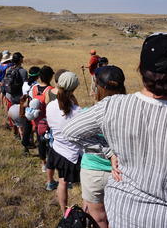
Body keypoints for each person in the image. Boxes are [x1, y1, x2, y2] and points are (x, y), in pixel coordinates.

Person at [63, 33, 167, 227]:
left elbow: (70, 131)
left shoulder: (112, 106)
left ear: (140, 67)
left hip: (123, 217)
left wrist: (108, 151)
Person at [72, 66, 126, 228]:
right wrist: (111, 152)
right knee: (119, 217)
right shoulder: (131, 113)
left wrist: (105, 150)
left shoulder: (89, 113)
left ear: (98, 87)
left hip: (93, 171)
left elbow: (71, 133)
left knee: (98, 219)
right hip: (122, 172)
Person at [46, 71, 82, 214]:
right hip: (73, 154)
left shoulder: (50, 106)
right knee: (85, 189)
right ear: (74, 89)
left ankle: (64, 212)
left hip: (57, 149)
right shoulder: (77, 111)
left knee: (62, 182)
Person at [31, 66, 55, 172]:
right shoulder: (50, 90)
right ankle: (50, 162)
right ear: (50, 77)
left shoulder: (34, 88)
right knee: (49, 141)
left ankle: (43, 163)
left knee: (40, 142)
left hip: (36, 119)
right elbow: (50, 106)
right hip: (47, 121)